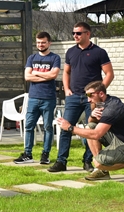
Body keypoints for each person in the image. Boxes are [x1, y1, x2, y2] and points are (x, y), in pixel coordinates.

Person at [48, 21, 114, 173]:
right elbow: (66, 72)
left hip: (91, 99)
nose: (75, 36)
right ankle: (61, 161)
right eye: (73, 33)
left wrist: (96, 94)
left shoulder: (99, 52)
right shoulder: (71, 52)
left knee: (92, 129)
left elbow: (109, 74)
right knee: (65, 128)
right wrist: (67, 89)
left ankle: (88, 161)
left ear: (88, 34)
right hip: (73, 97)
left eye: (78, 33)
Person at [57, 81, 124, 181]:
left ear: (101, 94)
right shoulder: (104, 103)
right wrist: (93, 116)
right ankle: (102, 171)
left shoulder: (112, 108)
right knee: (90, 127)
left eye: (90, 95)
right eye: (86, 95)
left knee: (98, 162)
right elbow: (92, 124)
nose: (88, 100)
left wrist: (70, 128)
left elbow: (96, 135)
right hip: (120, 139)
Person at [15, 32, 61, 165]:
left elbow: (53, 75)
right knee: (29, 126)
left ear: (49, 43)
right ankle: (27, 154)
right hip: (33, 97)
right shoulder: (32, 58)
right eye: (38, 42)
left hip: (48, 98)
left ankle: (45, 154)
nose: (40, 45)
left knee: (48, 127)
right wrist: (44, 75)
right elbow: (27, 77)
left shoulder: (55, 58)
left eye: (43, 42)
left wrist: (35, 72)